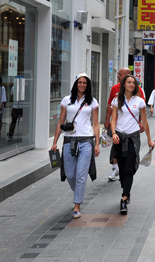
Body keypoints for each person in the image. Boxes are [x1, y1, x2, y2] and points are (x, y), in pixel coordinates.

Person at [51, 73, 100, 219]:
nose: (82, 85)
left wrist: (97, 143)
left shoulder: (92, 102)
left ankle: (77, 205)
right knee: (70, 174)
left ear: (88, 85)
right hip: (69, 140)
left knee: (81, 174)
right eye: (80, 82)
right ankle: (78, 190)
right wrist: (55, 142)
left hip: (86, 140)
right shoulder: (67, 100)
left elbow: (96, 124)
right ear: (76, 84)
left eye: (85, 83)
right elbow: (61, 122)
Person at [110, 75, 155, 213]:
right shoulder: (117, 100)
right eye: (128, 82)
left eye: (133, 83)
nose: (131, 85)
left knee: (129, 168)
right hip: (119, 137)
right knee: (122, 169)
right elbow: (113, 119)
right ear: (123, 84)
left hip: (133, 137)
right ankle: (126, 189)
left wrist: (149, 138)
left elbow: (144, 121)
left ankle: (124, 199)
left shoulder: (140, 101)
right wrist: (113, 133)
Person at [105, 68, 133, 181]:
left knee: (127, 149)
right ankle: (115, 168)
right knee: (116, 146)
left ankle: (124, 169)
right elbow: (109, 105)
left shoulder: (136, 89)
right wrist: (107, 119)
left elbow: (140, 108)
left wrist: (141, 122)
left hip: (130, 126)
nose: (118, 76)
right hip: (116, 125)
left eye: (120, 75)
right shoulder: (114, 88)